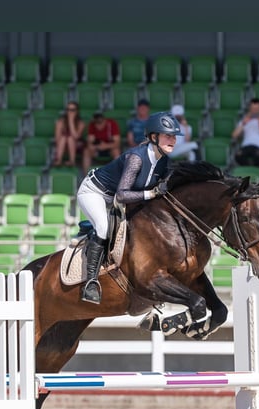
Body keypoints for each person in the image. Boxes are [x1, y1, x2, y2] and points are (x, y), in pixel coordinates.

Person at [76, 110, 181, 304]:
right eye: (168, 136)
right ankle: (90, 283)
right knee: (103, 227)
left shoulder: (164, 160)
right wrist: (151, 194)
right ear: (153, 137)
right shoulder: (137, 158)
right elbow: (122, 194)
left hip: (119, 198)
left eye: (174, 136)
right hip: (95, 192)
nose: (173, 140)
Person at [231, 98, 259, 168]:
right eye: (253, 109)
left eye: (257, 109)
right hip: (246, 146)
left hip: (258, 147)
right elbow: (234, 135)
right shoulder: (244, 121)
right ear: (250, 109)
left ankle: (252, 172)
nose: (255, 111)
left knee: (258, 157)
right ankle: (248, 171)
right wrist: (244, 123)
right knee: (238, 156)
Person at [53, 100, 86, 167]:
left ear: (77, 111)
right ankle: (58, 160)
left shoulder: (81, 123)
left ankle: (72, 161)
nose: (70, 112)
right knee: (64, 137)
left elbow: (76, 137)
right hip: (62, 145)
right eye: (68, 109)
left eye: (72, 110)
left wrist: (71, 121)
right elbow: (57, 138)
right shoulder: (61, 121)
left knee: (70, 138)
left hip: (76, 145)